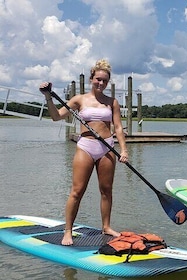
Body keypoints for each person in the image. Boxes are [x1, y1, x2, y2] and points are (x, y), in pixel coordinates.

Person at [39, 59, 129, 245]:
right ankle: (68, 231)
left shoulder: (112, 102)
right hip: (86, 147)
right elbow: (56, 117)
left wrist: (124, 150)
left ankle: (106, 227)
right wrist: (48, 97)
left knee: (106, 191)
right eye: (98, 79)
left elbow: (118, 128)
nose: (101, 83)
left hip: (107, 147)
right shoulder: (79, 99)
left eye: (104, 81)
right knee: (77, 191)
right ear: (91, 79)